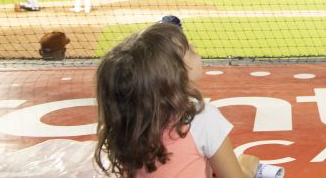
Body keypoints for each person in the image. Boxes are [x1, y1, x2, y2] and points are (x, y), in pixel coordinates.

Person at [94, 22, 260, 177]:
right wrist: (247, 166)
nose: (194, 47)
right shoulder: (202, 118)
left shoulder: (126, 124)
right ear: (173, 75)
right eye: (188, 49)